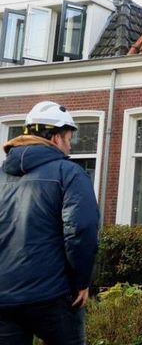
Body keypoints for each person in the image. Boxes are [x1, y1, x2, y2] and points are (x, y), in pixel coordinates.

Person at [0, 101, 100, 345]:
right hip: (53, 296)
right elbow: (80, 231)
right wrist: (82, 282)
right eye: (68, 139)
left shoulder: (1, 176)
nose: (69, 147)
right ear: (55, 138)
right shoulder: (69, 173)